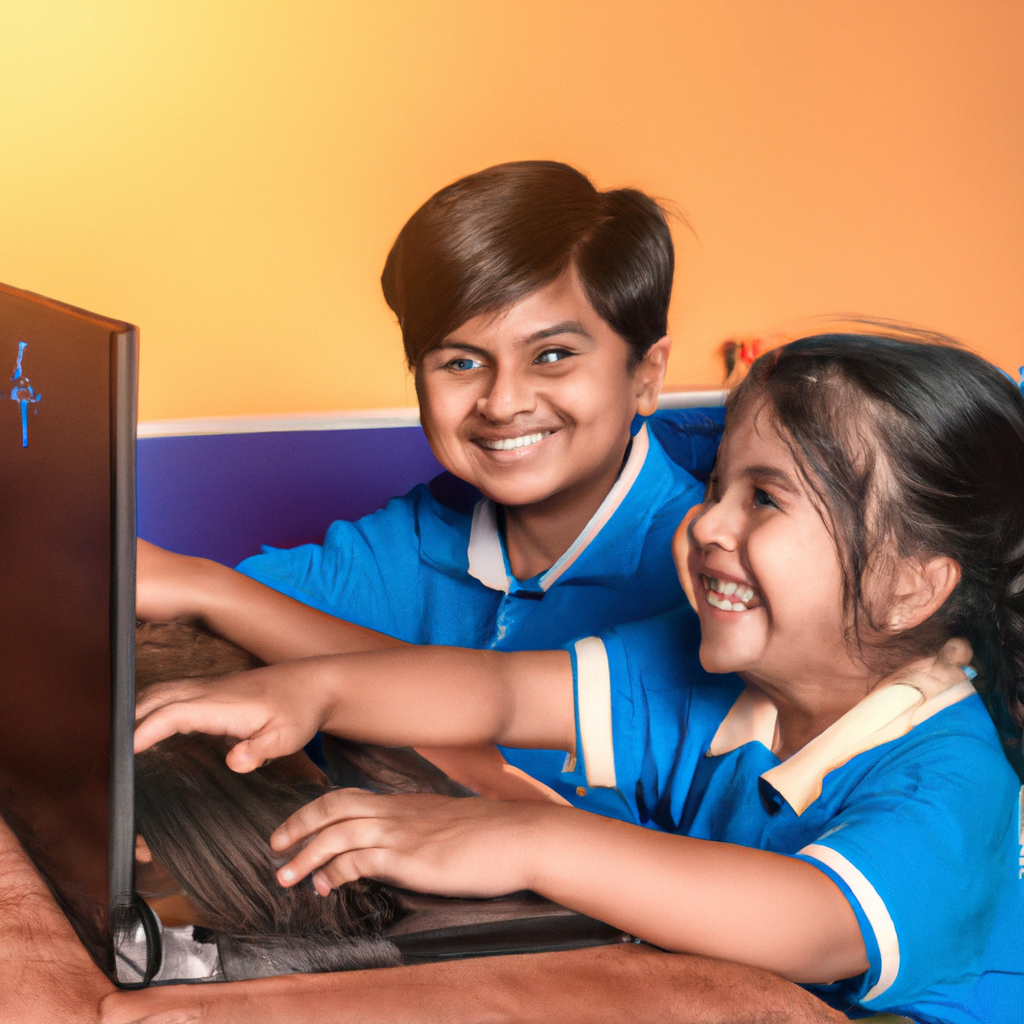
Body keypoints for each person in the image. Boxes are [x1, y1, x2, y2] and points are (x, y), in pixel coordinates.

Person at [137, 332, 1024, 1022]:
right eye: (718, 485)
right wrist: (317, 689)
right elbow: (499, 692)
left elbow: (813, 919)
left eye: (764, 499)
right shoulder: (704, 666)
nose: (708, 522)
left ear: (908, 584)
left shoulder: (952, 777)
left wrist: (522, 838)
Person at [138, 159, 710, 809]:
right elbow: (224, 617)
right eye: (461, 362)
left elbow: (516, 759)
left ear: (646, 375)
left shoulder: (713, 569)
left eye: (552, 355)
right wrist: (200, 590)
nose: (503, 401)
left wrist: (211, 590)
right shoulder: (420, 534)